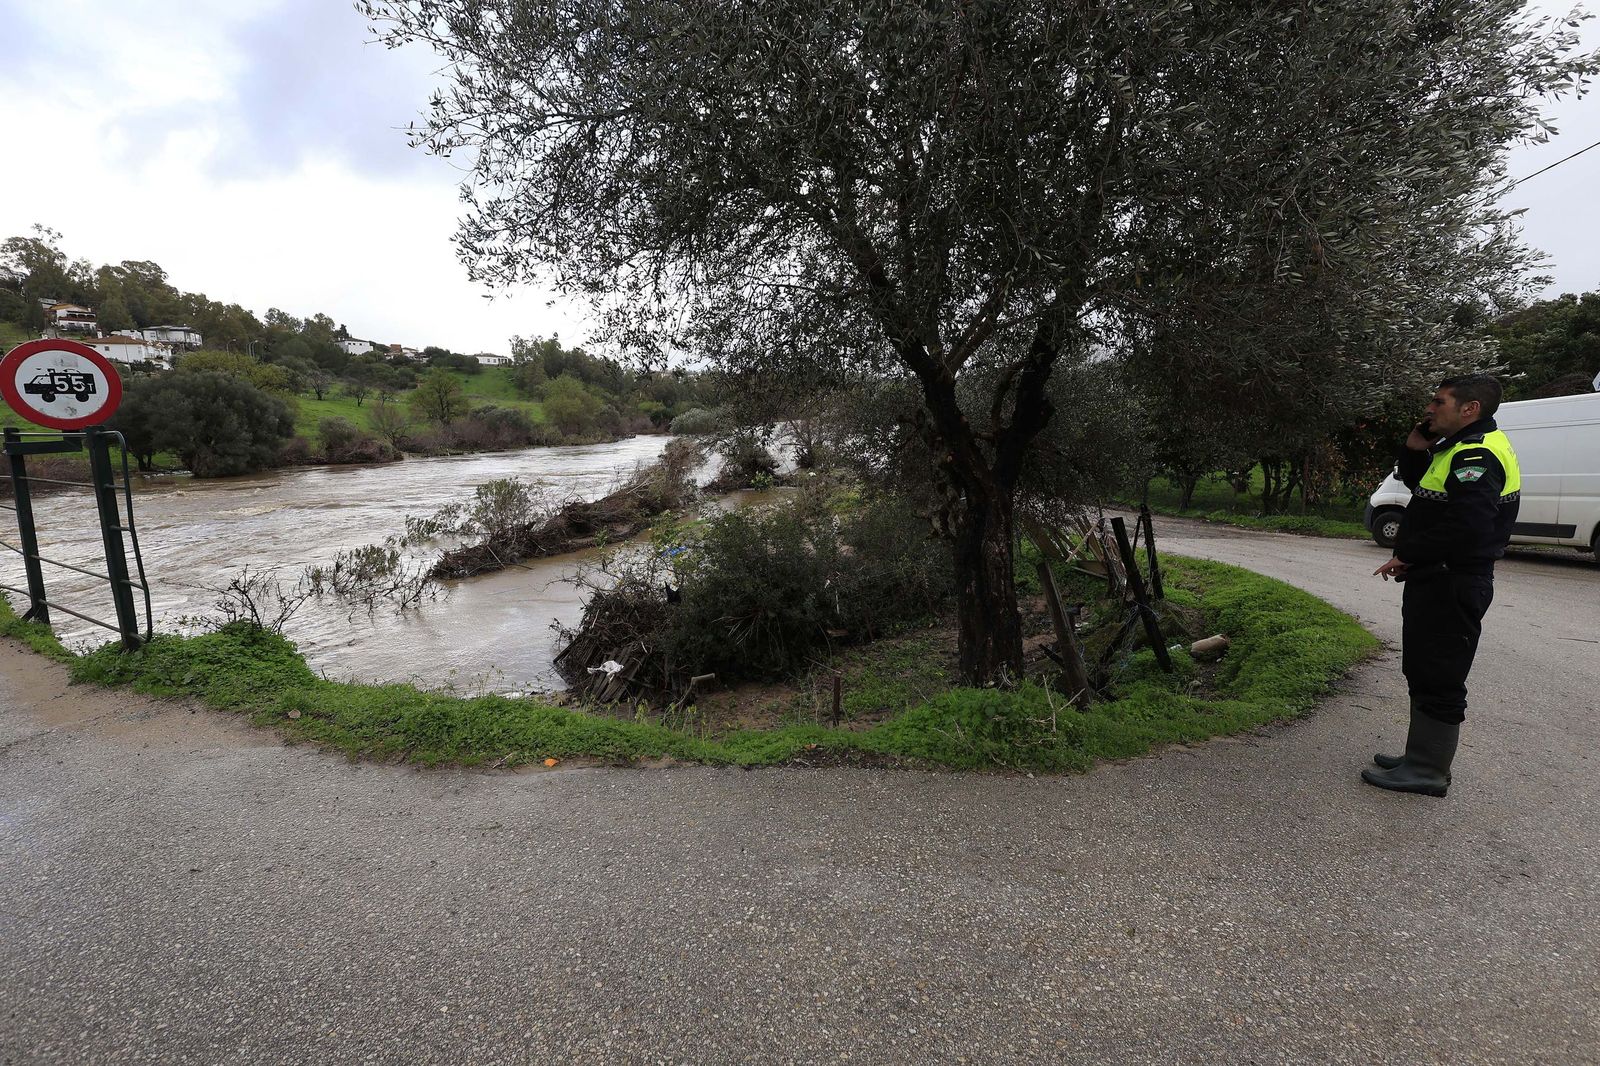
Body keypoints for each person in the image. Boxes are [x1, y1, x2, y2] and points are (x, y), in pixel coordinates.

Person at [1366, 374, 1520, 797]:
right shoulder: (1455, 449)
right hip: (1439, 576)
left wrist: (1410, 554)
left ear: (1469, 408)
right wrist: (1414, 447)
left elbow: (1469, 526)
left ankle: (1428, 770)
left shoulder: (1476, 454)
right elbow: (1425, 491)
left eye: (1439, 402)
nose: (1430, 409)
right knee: (1423, 666)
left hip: (1453, 581)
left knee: (1439, 672)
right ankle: (1419, 755)